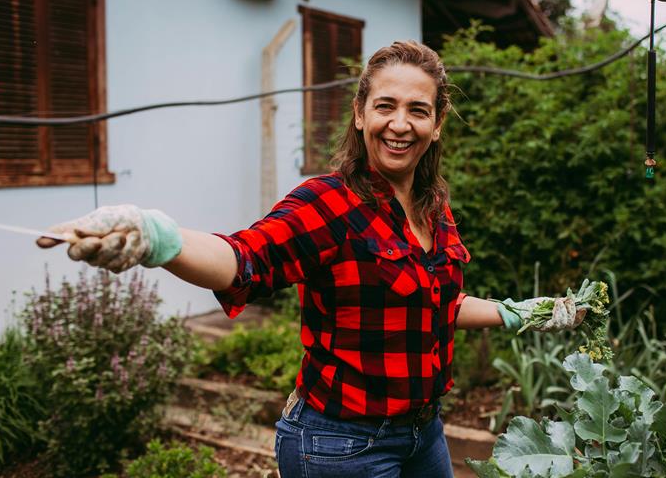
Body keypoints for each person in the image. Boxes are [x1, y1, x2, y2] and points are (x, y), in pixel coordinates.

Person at [38, 41, 584, 477]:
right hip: (342, 447)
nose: (400, 124)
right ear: (359, 114)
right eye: (385, 106)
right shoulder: (329, 203)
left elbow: (437, 301)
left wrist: (523, 311)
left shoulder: (432, 207)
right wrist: (159, 237)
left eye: (418, 110)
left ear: (436, 123)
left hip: (425, 436)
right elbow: (243, 258)